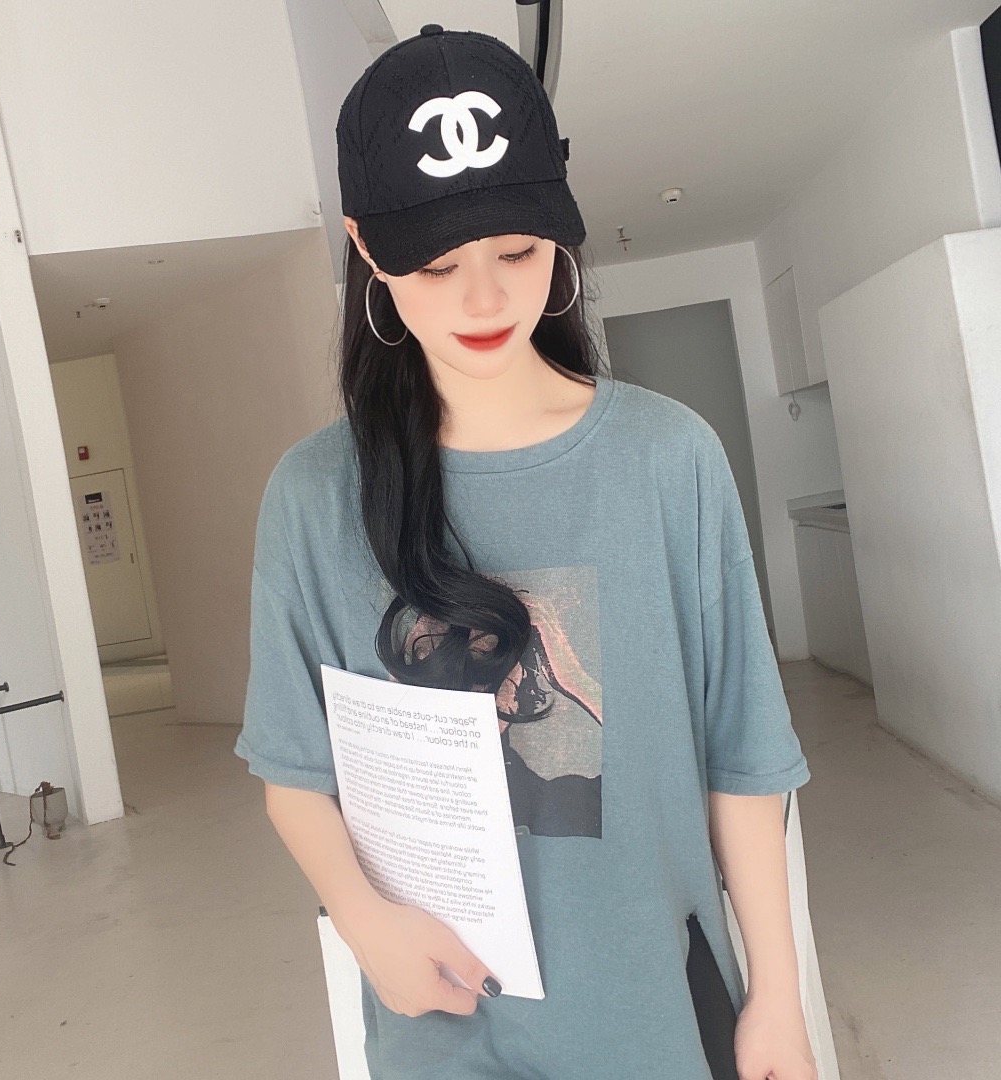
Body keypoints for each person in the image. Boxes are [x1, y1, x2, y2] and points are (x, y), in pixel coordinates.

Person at [235, 24, 818, 1080]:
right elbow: (293, 770)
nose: (485, 298)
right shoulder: (315, 496)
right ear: (368, 248)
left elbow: (744, 754)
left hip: (654, 1013)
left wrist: (777, 991)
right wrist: (364, 922)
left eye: (517, 250)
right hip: (444, 1027)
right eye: (438, 263)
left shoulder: (667, 458)